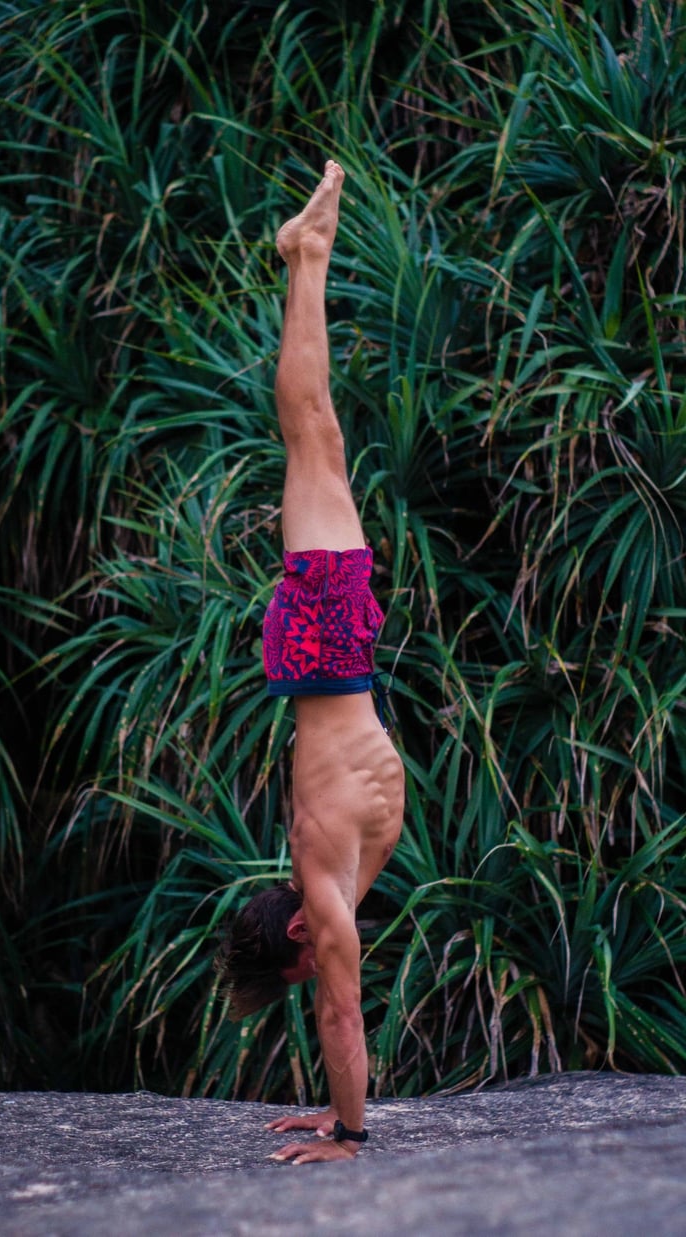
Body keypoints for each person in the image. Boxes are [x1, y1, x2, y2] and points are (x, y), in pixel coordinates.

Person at [217, 160, 405, 1164]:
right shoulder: (329, 872)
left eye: (295, 971)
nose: (317, 971)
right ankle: (304, 259)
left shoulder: (322, 892)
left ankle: (308, 256)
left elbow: (341, 1014)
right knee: (314, 436)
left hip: (327, 650)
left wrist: (348, 1133)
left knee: (313, 431)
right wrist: (332, 1115)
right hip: (334, 657)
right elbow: (330, 1008)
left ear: (295, 936)